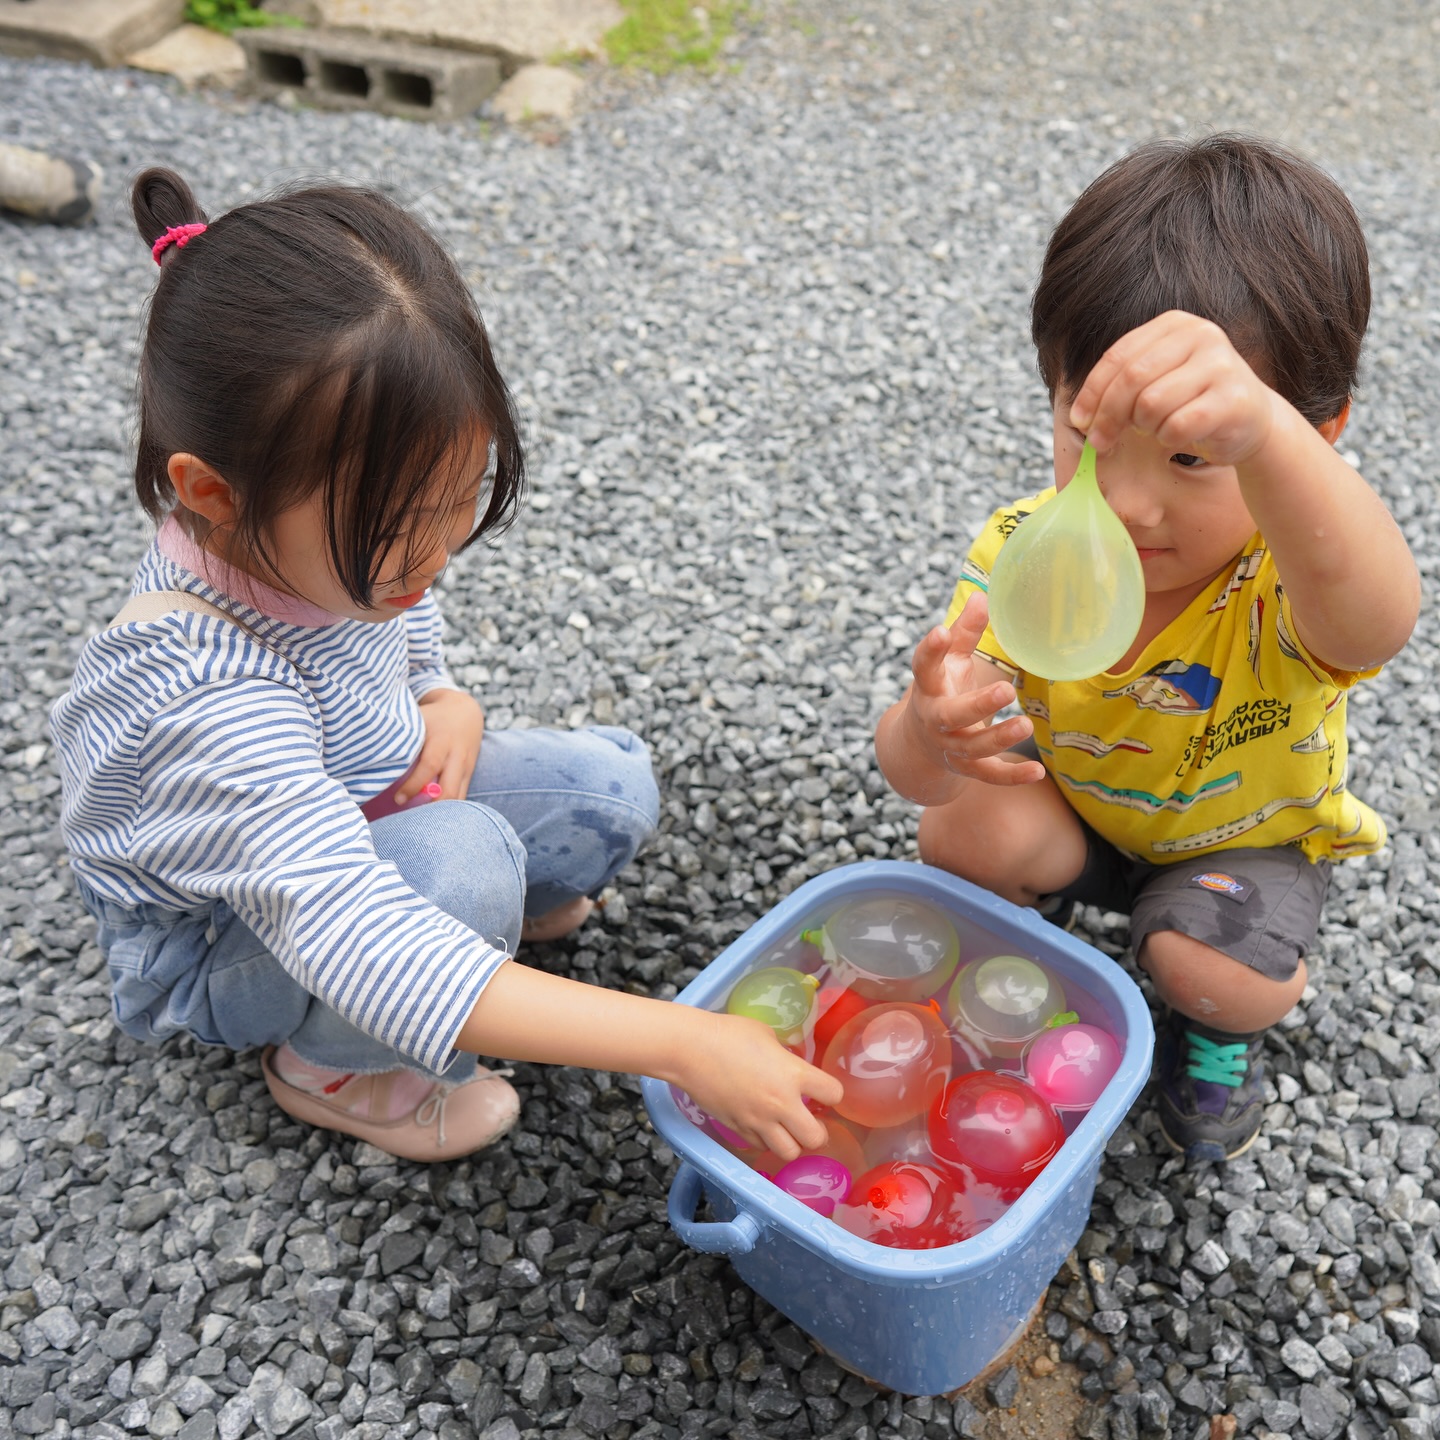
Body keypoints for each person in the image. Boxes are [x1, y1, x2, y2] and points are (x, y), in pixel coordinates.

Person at [52, 168, 840, 1164]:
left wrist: (438, 692)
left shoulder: (317, 549)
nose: (436, 556)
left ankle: (486, 932)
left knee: (608, 789)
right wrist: (680, 1041)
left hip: (356, 795)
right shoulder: (196, 698)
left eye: (458, 497)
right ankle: (333, 1071)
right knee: (464, 864)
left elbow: (398, 616)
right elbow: (358, 934)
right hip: (221, 935)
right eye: (397, 526)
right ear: (212, 493)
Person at [876, 135, 1419, 1163]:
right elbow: (915, 774)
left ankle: (1213, 1022)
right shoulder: (1027, 552)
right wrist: (928, 730)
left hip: (1236, 848)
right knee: (961, 828)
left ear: (1313, 437)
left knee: (1215, 975)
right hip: (1081, 813)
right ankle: (1032, 962)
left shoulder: (1288, 575)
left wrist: (1266, 433)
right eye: (1089, 439)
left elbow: (1379, 619)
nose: (1127, 502)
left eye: (1191, 456)